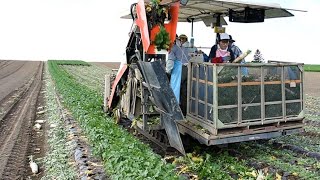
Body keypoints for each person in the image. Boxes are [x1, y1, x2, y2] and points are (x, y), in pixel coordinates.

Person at [166, 34, 190, 104]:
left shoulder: (174, 48)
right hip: (188, 70)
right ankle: (184, 107)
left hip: (178, 71)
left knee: (176, 88)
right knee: (185, 90)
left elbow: (170, 61)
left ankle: (175, 104)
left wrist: (168, 71)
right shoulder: (189, 48)